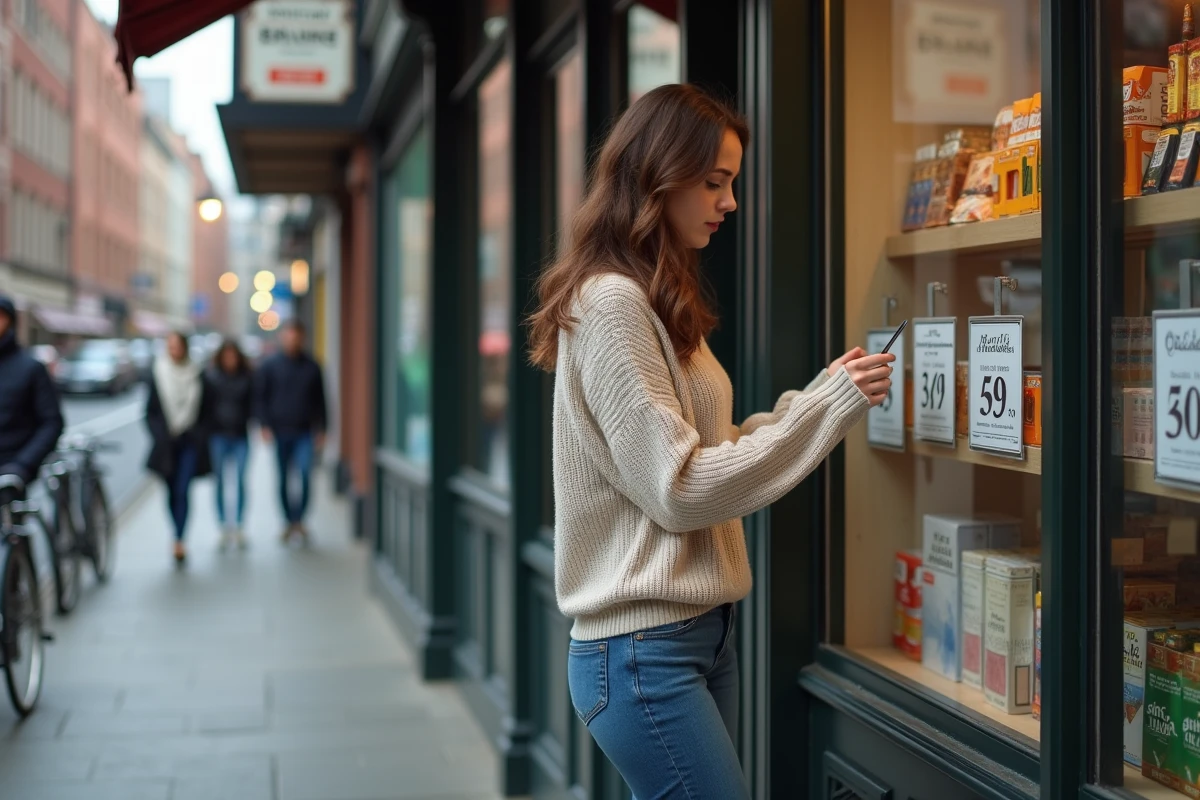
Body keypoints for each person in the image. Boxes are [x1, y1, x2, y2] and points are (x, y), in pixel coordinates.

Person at [525, 84, 893, 800]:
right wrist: (827, 411)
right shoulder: (613, 304)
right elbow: (681, 488)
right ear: (658, 174)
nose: (728, 203)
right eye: (715, 182)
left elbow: (709, 447)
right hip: (641, 653)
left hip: (694, 637)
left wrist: (823, 396)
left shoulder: (651, 295)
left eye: (732, 184)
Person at [255, 320, 326, 544]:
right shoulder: (270, 366)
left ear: (302, 338)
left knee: (305, 475)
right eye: (288, 335)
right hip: (279, 431)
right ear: (282, 337)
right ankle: (288, 521)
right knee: (283, 478)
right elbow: (261, 398)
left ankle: (300, 520)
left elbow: (321, 400)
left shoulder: (312, 366)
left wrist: (323, 428)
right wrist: (264, 426)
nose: (292, 340)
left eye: (296, 336)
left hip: (304, 431)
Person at [145, 331, 211, 566]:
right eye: (169, 346)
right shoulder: (157, 372)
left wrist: (200, 435)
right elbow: (150, 411)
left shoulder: (198, 373)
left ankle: (180, 538)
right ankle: (176, 530)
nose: (173, 350)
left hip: (189, 441)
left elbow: (206, 410)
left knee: (183, 489)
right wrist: (159, 435)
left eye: (176, 346)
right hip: (166, 444)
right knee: (172, 491)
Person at [0, 295, 64, 493]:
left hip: (11, 470)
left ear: (8, 321)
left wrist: (22, 465)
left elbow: (51, 422)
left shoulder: (30, 368)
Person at [204, 339, 254, 550]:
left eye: (233, 356)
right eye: (227, 356)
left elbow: (254, 403)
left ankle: (240, 526)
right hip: (218, 436)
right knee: (220, 482)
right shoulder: (212, 378)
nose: (230, 360)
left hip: (240, 435)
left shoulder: (247, 378)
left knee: (241, 480)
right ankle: (224, 527)